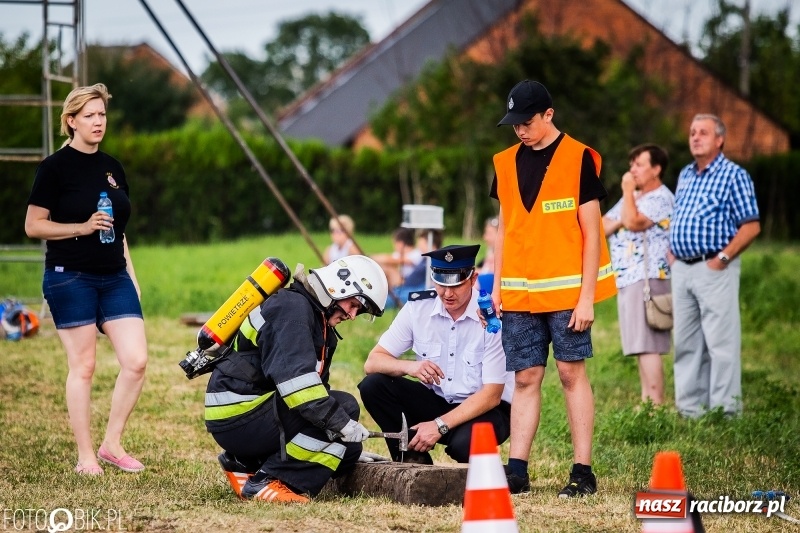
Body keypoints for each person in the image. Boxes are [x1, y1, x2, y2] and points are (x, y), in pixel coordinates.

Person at [490, 80, 617, 497]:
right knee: (525, 377)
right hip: (519, 293)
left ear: (549, 114)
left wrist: (586, 298)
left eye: (527, 122)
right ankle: (517, 472)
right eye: (514, 125)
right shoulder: (505, 162)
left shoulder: (578, 158)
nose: (520, 131)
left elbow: (592, 232)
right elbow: (505, 228)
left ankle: (583, 472)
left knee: (569, 373)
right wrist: (496, 282)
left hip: (566, 295)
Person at [24, 83, 147, 475]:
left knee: (137, 361)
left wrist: (132, 276)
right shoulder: (54, 168)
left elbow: (119, 229)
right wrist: (81, 225)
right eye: (90, 115)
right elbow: (33, 225)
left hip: (114, 278)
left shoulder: (113, 167)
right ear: (71, 121)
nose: (98, 122)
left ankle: (111, 444)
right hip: (69, 277)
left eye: (102, 115)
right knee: (85, 366)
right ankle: (85, 456)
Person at [207, 255, 388, 503]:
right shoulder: (292, 309)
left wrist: (345, 444)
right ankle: (267, 481)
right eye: (354, 305)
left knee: (347, 450)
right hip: (238, 416)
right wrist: (342, 424)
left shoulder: (319, 322)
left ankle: (242, 462)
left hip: (252, 413)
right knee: (344, 408)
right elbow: (300, 389)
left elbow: (317, 390)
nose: (353, 315)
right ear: (338, 286)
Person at [358, 244, 514, 464]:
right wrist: (411, 367)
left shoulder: (490, 317)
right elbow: (373, 362)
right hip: (439, 398)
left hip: (484, 408)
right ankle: (411, 457)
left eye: (457, 285)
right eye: (441, 284)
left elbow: (492, 394)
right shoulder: (418, 308)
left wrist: (439, 425)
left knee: (462, 446)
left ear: (472, 278)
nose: (447, 293)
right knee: (373, 386)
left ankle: (483, 470)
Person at [669, 114, 760, 418]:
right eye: (692, 132)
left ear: (719, 139)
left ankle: (725, 412)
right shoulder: (685, 174)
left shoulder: (734, 175)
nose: (695, 137)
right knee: (685, 343)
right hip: (682, 269)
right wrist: (672, 251)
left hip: (714, 268)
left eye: (703, 133)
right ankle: (690, 410)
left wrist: (723, 258)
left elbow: (751, 226)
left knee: (721, 344)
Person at [603, 144, 675, 405]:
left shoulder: (660, 198)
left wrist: (626, 196)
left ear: (657, 169)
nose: (632, 170)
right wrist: (627, 210)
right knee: (639, 344)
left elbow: (632, 222)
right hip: (628, 278)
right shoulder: (635, 198)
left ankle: (654, 404)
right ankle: (647, 403)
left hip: (649, 278)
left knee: (649, 343)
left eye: (639, 164)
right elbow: (603, 226)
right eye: (631, 164)